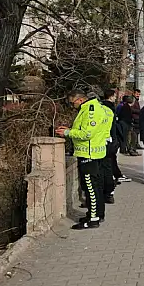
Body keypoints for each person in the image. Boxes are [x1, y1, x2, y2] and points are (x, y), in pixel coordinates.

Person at [56, 89, 110, 230]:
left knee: (91, 188)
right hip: (95, 153)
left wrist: (67, 133)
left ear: (79, 100)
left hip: (89, 154)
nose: (72, 106)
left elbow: (86, 133)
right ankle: (98, 214)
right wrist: (70, 129)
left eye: (72, 103)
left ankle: (93, 220)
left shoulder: (90, 110)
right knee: (96, 186)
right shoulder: (96, 108)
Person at [100, 89, 125, 204]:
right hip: (108, 141)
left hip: (104, 141)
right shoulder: (109, 108)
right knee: (107, 167)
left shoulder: (102, 107)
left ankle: (108, 191)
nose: (116, 98)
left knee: (106, 167)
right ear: (111, 96)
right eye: (115, 96)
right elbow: (112, 126)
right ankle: (108, 192)